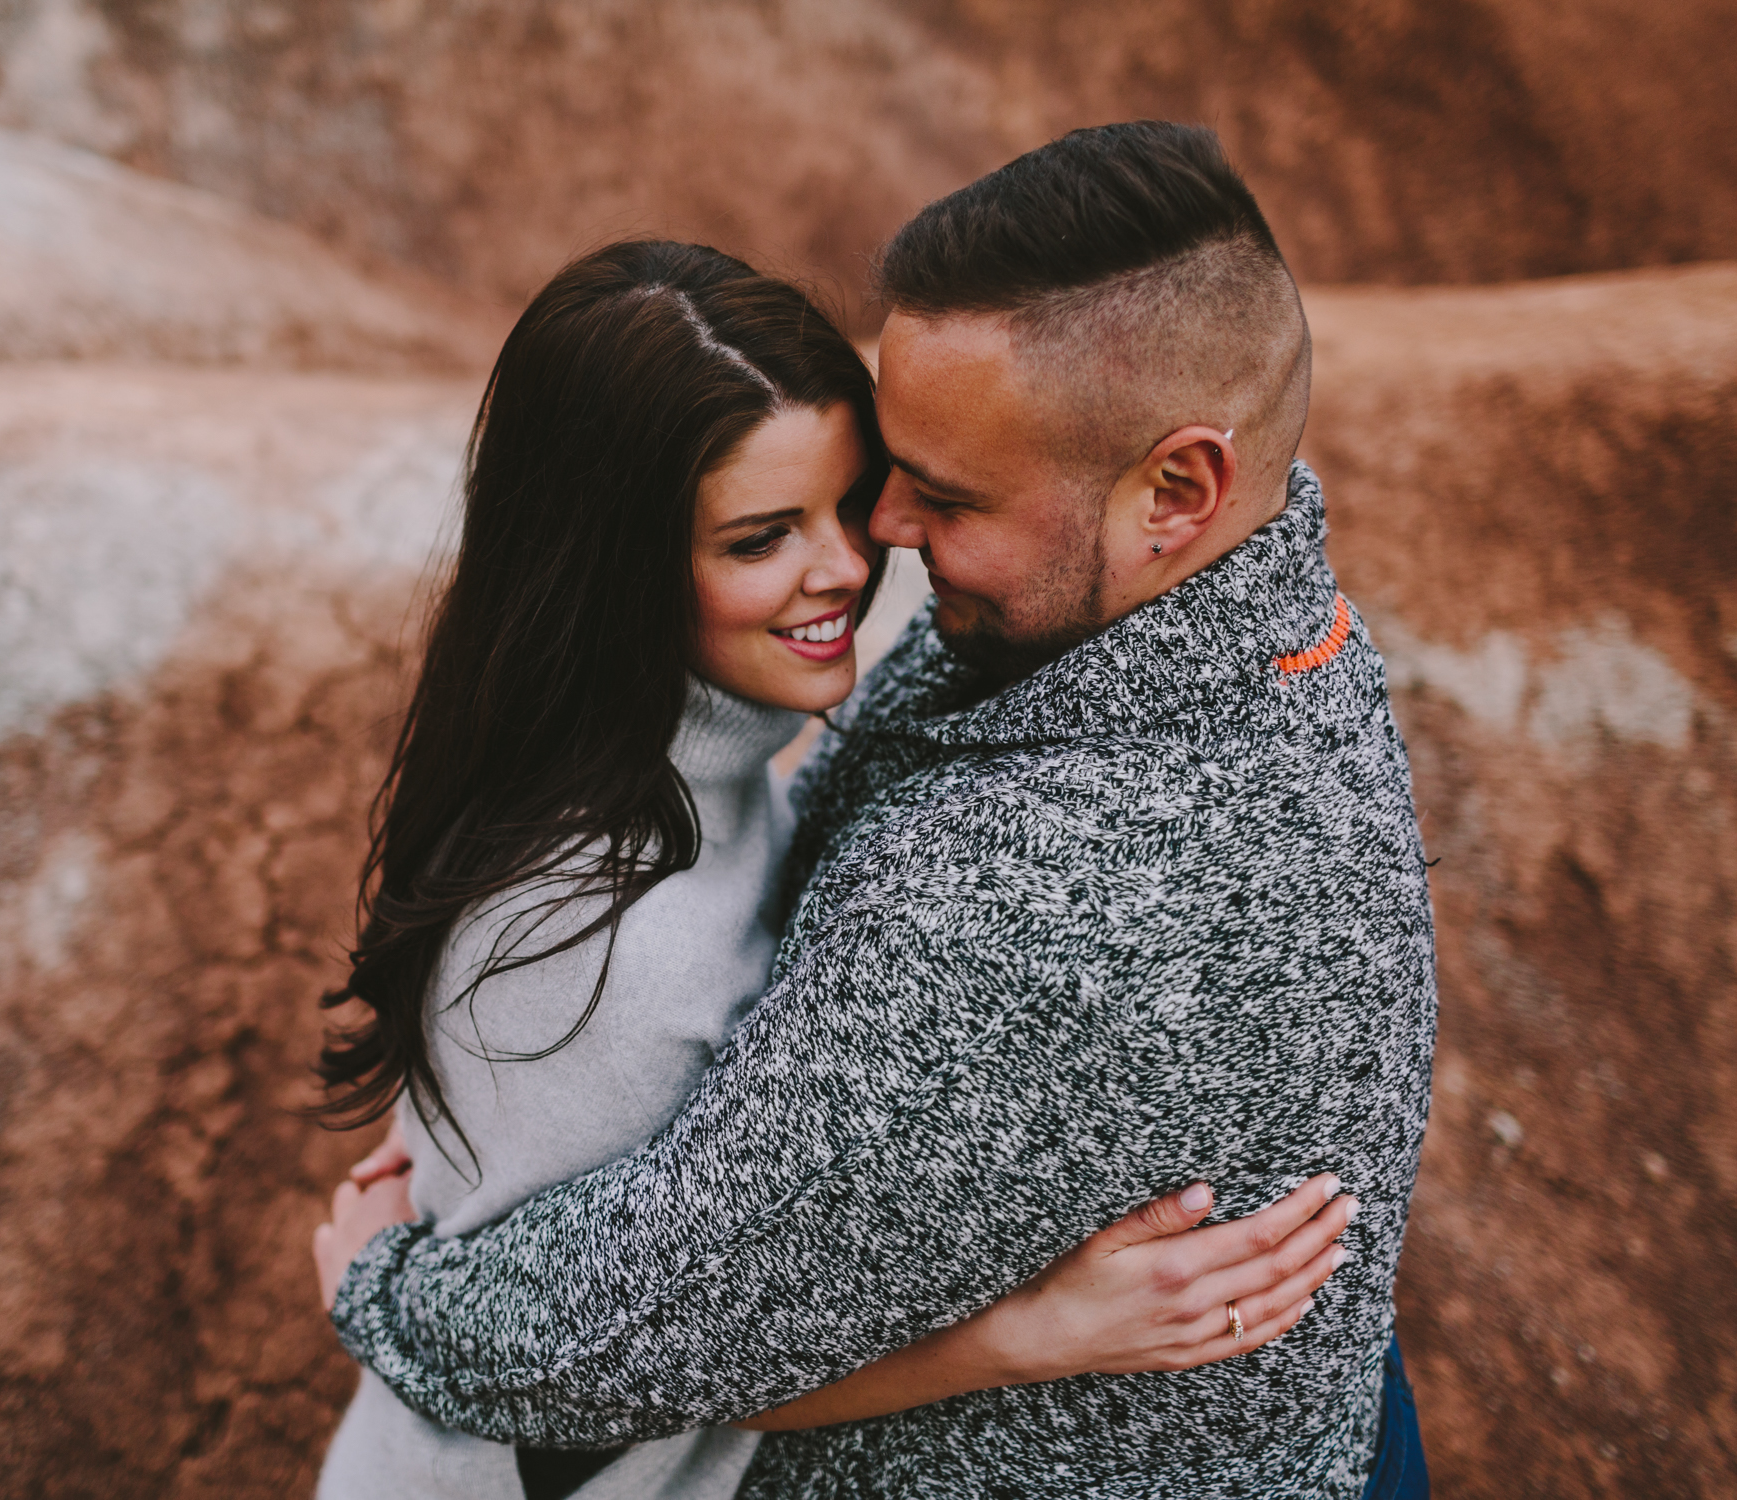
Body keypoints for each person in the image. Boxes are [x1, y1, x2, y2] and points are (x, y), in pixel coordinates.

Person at [324, 125, 1438, 1499]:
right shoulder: (1273, 631)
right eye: (878, 473)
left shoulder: (1019, 902)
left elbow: (628, 1331)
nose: (881, 535)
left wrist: (385, 1287)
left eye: (944, 493)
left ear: (1177, 490)